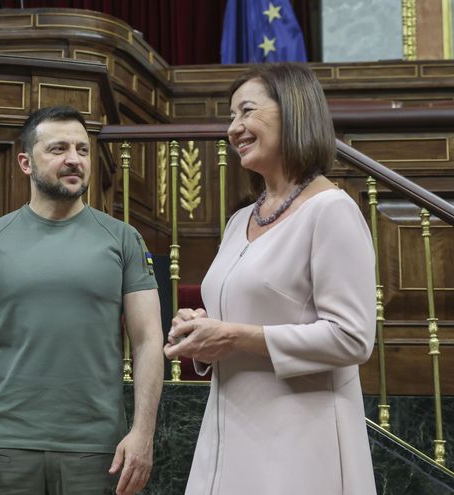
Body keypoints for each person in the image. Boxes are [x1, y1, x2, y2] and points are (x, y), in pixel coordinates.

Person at [164, 63, 377, 495]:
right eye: (230, 117)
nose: (233, 128)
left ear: (293, 112)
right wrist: (200, 330)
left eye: (246, 112)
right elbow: (239, 318)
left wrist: (235, 336)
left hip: (300, 440)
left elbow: (353, 338)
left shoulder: (332, 210)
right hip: (228, 430)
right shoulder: (240, 218)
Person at [0, 106, 164, 495]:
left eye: (82, 149)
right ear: (26, 162)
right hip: (5, 447)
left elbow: (148, 339)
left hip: (100, 448)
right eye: (59, 149)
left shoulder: (123, 239)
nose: (74, 159)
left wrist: (143, 433)